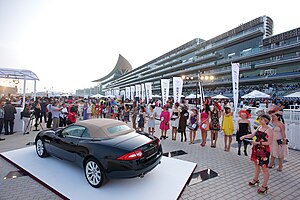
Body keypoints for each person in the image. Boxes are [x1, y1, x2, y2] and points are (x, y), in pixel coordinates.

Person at [241, 114, 273, 194]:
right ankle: (255, 179)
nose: (259, 120)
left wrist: (257, 142)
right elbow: (252, 135)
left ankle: (264, 186)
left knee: (264, 168)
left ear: (266, 121)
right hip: (256, 150)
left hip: (264, 151)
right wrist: (244, 136)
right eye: (260, 119)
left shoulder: (269, 130)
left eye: (261, 119)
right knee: (256, 165)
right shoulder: (259, 127)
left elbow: (269, 142)